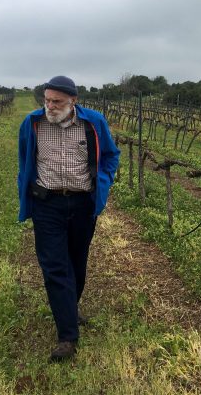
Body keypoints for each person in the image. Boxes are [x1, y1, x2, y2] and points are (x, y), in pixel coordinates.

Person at [17, 75, 121, 362]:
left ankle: (68, 308)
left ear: (73, 100)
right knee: (54, 266)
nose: (50, 106)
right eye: (47, 100)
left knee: (77, 262)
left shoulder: (93, 123)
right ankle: (67, 336)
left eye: (57, 101)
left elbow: (112, 155)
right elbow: (24, 157)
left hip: (81, 203)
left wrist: (105, 179)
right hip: (46, 204)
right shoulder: (33, 123)